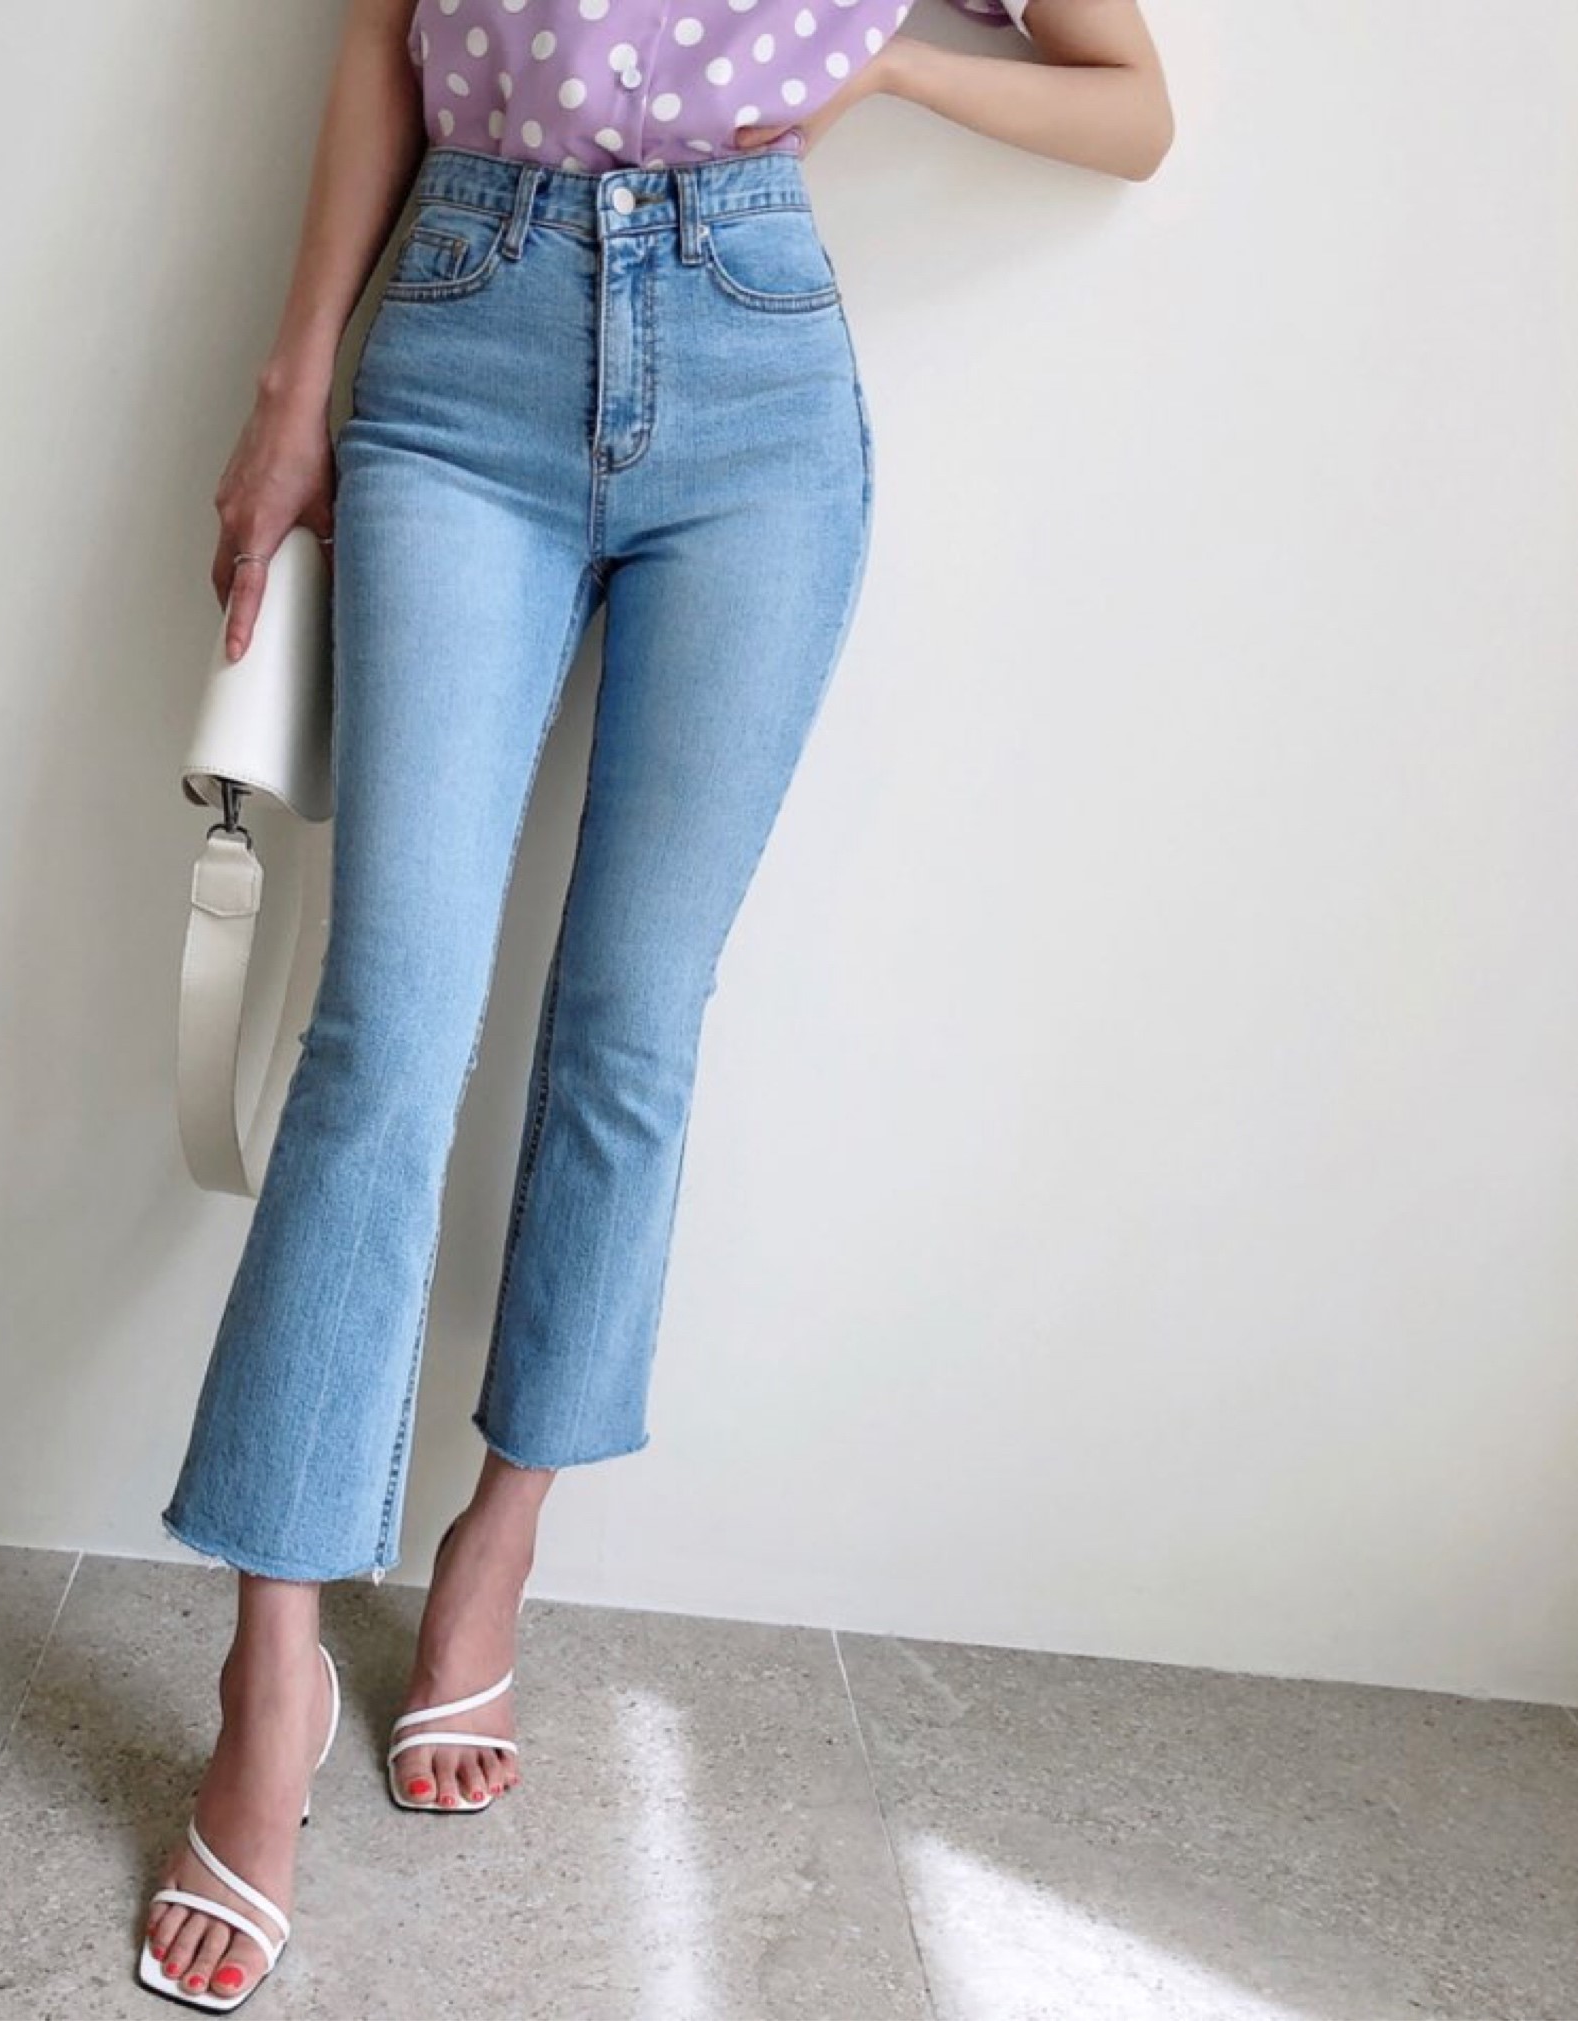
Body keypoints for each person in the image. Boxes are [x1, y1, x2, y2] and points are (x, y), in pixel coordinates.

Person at [142, 0, 1173, 2008]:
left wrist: (888, 67)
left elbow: (1130, 109)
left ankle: (500, 1540)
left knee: (630, 1022)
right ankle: (270, 1673)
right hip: (467, 325)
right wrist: (294, 381)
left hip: (755, 366)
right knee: (386, 1034)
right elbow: (381, 29)